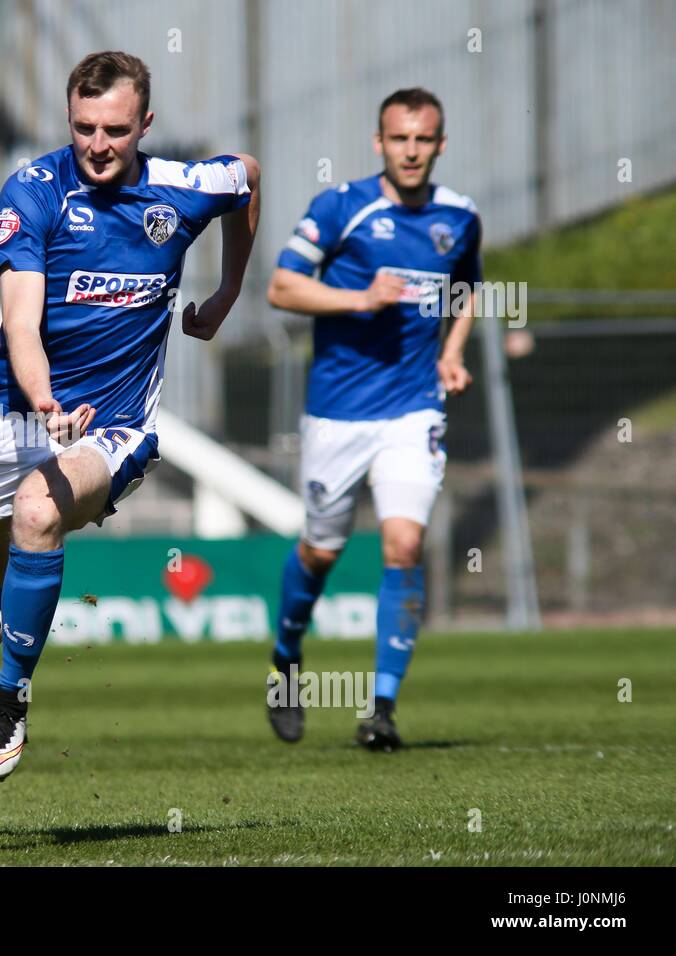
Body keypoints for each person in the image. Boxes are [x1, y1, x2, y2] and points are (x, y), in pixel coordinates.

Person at [0, 51, 260, 780]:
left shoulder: (183, 189)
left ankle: (10, 700)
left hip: (115, 427)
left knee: (37, 515)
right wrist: (44, 400)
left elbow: (248, 176)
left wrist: (230, 291)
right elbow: (20, 320)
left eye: (114, 129)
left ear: (146, 123)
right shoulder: (34, 191)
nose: (98, 145)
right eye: (83, 128)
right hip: (17, 414)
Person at [265, 88, 481, 751]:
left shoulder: (460, 217)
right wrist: (360, 298)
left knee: (405, 546)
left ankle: (381, 708)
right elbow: (281, 287)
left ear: (440, 144)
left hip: (413, 412)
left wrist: (451, 350)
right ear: (378, 142)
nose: (411, 151)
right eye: (399, 139)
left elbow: (468, 288)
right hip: (336, 416)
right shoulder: (341, 207)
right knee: (321, 551)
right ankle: (286, 656)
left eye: (423, 139)